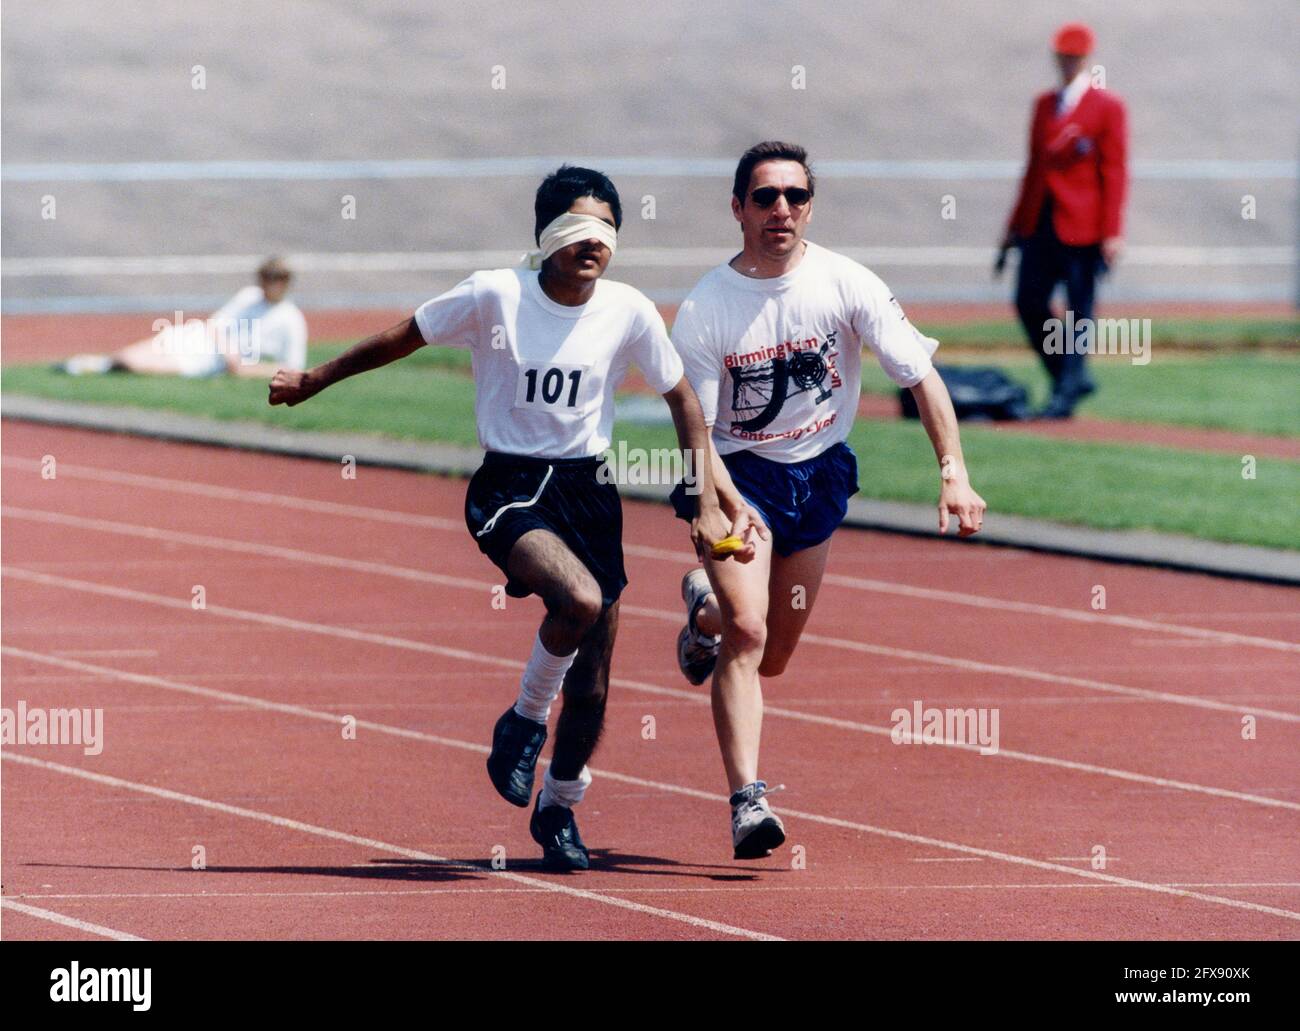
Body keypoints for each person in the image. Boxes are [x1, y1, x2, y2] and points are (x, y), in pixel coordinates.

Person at [268, 166, 744, 871]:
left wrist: (703, 495)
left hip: (589, 489)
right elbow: (403, 337)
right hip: (512, 486)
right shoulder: (496, 294)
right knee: (576, 597)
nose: (594, 244)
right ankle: (522, 719)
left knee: (595, 680)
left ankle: (560, 806)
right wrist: (313, 380)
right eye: (578, 229)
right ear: (545, 235)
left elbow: (682, 400)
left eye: (607, 231)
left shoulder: (629, 311)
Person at [669, 141, 987, 859]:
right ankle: (747, 803)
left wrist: (953, 471)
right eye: (764, 197)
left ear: (810, 205)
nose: (780, 209)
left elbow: (921, 377)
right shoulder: (707, 308)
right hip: (734, 472)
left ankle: (704, 607)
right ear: (738, 209)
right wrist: (719, 500)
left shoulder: (847, 282)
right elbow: (695, 429)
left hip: (819, 475)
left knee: (773, 652)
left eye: (794, 196)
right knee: (749, 633)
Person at [998, 22, 1128, 419]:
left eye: (1075, 56)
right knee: (1028, 300)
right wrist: (1013, 228)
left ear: (1087, 58)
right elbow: (1033, 168)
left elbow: (1115, 170)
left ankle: (1065, 394)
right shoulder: (1043, 105)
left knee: (1079, 311)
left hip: (1083, 227)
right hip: (1041, 222)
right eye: (1063, 55)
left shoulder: (1107, 107)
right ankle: (1070, 376)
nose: (1068, 62)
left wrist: (1111, 232)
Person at [59, 257, 308, 379]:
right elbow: (216, 323)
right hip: (197, 337)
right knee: (127, 355)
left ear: (285, 282)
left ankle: (93, 367)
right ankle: (89, 364)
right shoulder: (248, 296)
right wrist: (229, 351)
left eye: (274, 278)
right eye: (264, 277)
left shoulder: (291, 319)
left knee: (134, 364)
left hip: (208, 361)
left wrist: (245, 368)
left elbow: (293, 368)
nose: (267, 284)